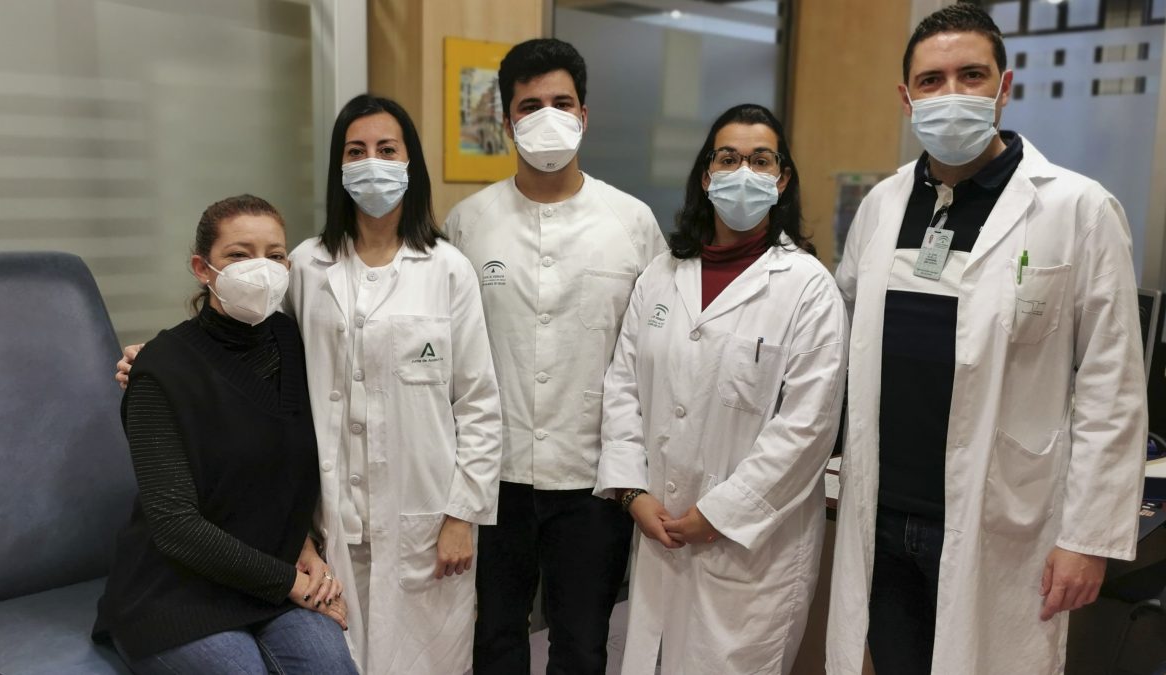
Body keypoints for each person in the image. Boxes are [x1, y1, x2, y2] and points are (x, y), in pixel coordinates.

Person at [117, 94, 503, 674]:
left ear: (410, 162)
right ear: (338, 166)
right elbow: (243, 336)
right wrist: (159, 360)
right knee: (340, 655)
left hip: (420, 515)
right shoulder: (304, 265)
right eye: (356, 151)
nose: (371, 163)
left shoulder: (449, 269)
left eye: (387, 149)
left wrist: (461, 515)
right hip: (326, 524)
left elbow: (477, 402)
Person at [825, 5, 1149, 674]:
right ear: (907, 98)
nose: (952, 94)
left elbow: (1111, 386)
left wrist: (1088, 537)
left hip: (1003, 521)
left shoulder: (1078, 208)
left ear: (1004, 87)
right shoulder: (882, 205)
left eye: (971, 75)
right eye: (932, 80)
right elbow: (847, 339)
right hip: (880, 516)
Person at [594, 103, 847, 675]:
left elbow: (807, 428)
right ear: (706, 176)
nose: (743, 172)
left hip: (749, 554)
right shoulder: (661, 274)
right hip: (659, 528)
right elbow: (623, 387)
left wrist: (720, 514)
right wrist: (632, 493)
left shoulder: (808, 288)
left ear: (782, 179)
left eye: (761, 160)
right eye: (728, 158)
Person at [441, 38, 667, 674]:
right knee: (494, 639)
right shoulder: (468, 223)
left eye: (561, 103)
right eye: (529, 105)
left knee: (582, 643)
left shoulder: (632, 223)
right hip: (494, 475)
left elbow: (654, 350)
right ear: (507, 120)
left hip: (594, 478)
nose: (547, 116)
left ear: (584, 114)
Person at [94, 194, 358, 675]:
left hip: (271, 578)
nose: (261, 268)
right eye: (239, 255)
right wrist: (292, 584)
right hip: (175, 592)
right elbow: (175, 526)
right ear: (202, 268)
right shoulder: (161, 370)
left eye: (275, 255)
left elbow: (283, 477)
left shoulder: (294, 344)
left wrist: (305, 549)